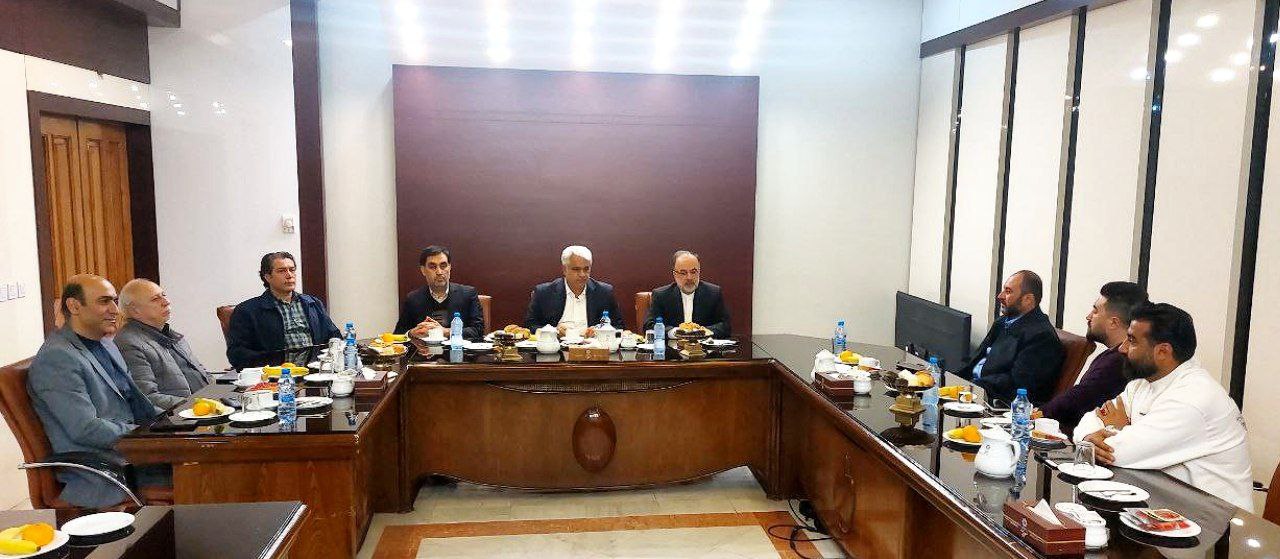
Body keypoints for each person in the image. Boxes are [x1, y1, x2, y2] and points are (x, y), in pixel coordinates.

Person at [1073, 302, 1253, 512]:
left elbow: (1117, 454)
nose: (1122, 348)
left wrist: (1108, 432)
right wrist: (1089, 437)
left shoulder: (1193, 399)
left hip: (1214, 518)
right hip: (1166, 504)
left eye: (1131, 340)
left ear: (1163, 351)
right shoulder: (1142, 383)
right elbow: (1091, 419)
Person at [27, 275, 167, 508]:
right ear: (74, 306)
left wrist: (174, 423)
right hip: (108, 469)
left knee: (214, 455)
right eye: (104, 301)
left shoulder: (106, 344)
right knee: (207, 473)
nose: (115, 310)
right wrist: (146, 437)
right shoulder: (58, 358)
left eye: (114, 301)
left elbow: (136, 403)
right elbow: (85, 429)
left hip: (137, 455)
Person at [1033, 281, 1146, 436]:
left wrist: (1036, 415)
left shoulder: (1119, 361)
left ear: (1113, 322)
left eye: (1095, 311)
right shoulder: (1114, 356)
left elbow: (1078, 399)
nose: (1088, 316)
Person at [956, 270, 1065, 405]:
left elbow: (1015, 384)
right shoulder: (1002, 322)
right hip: (973, 390)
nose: (1000, 296)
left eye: (1008, 292)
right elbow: (974, 362)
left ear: (1028, 299)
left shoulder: (1042, 337)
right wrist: (949, 379)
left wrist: (970, 387)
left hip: (995, 402)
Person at [226, 251, 341, 368]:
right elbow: (237, 354)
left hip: (314, 372)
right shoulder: (247, 311)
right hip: (275, 374)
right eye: (282, 271)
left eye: (292, 270)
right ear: (267, 277)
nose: (289, 275)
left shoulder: (313, 304)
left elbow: (335, 337)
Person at [114, 279, 213, 410]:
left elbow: (203, 374)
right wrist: (199, 405)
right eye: (155, 299)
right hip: (181, 416)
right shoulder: (128, 343)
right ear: (135, 310)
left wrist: (223, 395)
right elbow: (147, 397)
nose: (166, 302)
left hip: (205, 406)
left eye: (164, 295)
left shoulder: (173, 335)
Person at [524, 245, 624, 334]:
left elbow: (619, 327)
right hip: (556, 345)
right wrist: (554, 331)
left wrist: (599, 331)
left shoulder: (604, 292)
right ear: (564, 269)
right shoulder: (544, 292)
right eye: (576, 269)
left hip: (592, 346)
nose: (582, 274)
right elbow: (530, 326)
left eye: (586, 269)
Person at [393, 245, 485, 339]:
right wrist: (411, 333)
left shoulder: (468, 294)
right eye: (433, 267)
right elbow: (398, 334)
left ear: (449, 267)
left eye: (443, 266)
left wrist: (445, 332)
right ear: (423, 270)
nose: (439, 272)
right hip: (424, 348)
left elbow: (478, 330)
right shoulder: (413, 299)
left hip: (458, 348)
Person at [642, 250, 732, 337]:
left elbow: (725, 326)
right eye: (683, 273)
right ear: (675, 274)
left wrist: (703, 332)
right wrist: (675, 332)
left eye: (693, 272)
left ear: (699, 272)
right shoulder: (661, 295)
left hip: (704, 346)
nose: (689, 277)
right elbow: (649, 326)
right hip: (672, 346)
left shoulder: (713, 293)